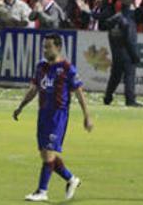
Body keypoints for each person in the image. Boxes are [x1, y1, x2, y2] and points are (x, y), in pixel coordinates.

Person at [12, 33, 92, 202]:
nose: (45, 50)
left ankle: (42, 191)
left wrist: (87, 116)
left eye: (48, 46)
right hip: (43, 115)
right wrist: (21, 107)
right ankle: (71, 179)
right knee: (45, 155)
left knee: (48, 155)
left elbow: (79, 93)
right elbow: (33, 90)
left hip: (58, 116)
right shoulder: (41, 67)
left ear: (58, 48)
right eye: (44, 47)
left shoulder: (67, 68)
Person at [102, 8, 142, 107]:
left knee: (115, 77)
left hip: (116, 55)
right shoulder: (129, 23)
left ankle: (108, 97)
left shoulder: (112, 26)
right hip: (127, 55)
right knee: (129, 77)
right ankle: (130, 100)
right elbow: (129, 41)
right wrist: (135, 56)